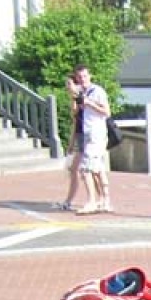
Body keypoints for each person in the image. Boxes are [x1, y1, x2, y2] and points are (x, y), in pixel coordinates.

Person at [74, 65, 113, 215]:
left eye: (84, 76)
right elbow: (76, 113)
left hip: (96, 134)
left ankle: (91, 201)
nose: (82, 80)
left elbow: (106, 112)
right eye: (79, 77)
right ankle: (105, 200)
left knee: (85, 168)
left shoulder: (97, 92)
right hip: (87, 133)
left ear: (89, 76)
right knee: (97, 169)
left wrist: (90, 103)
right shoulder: (81, 92)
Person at [56, 72, 85, 211]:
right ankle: (69, 200)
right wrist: (71, 143)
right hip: (80, 136)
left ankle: (101, 199)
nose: (67, 87)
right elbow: (75, 123)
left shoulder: (82, 97)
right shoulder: (74, 98)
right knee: (75, 170)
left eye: (69, 83)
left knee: (87, 170)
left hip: (88, 136)